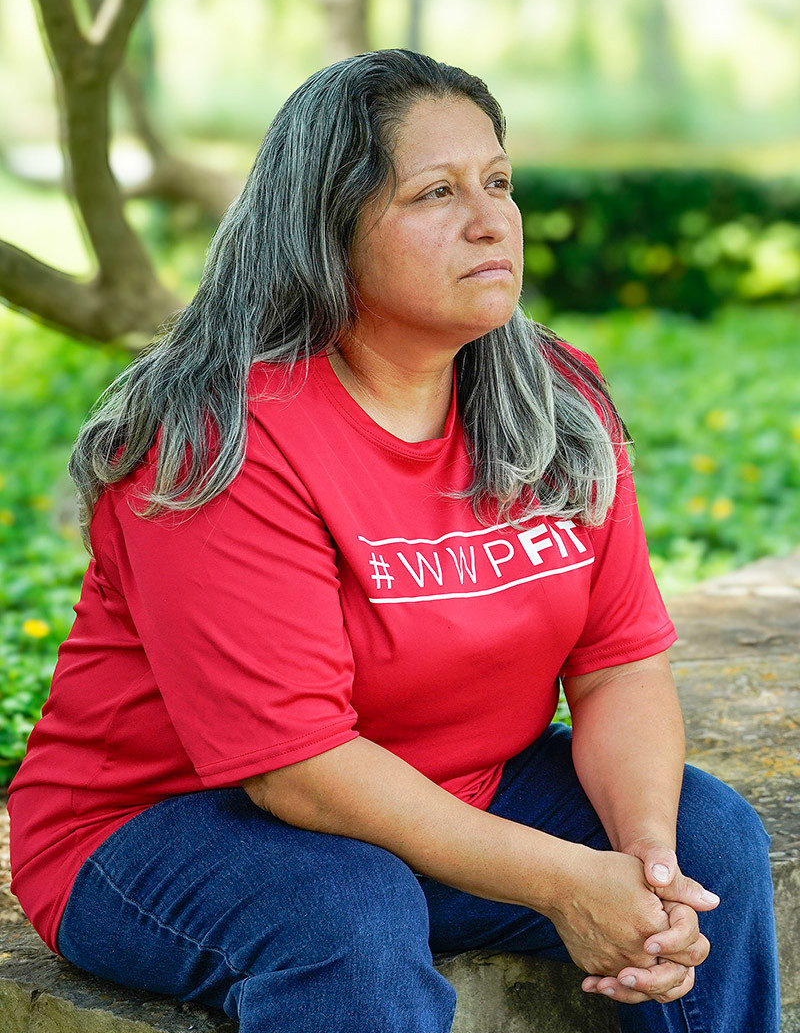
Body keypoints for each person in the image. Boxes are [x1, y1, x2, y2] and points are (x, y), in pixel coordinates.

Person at [9, 50, 779, 1033]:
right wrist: (565, 881)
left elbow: (616, 667)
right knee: (344, 907)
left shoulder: (553, 399)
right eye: (434, 192)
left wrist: (645, 872)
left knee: (709, 840)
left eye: (497, 182)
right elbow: (298, 767)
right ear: (329, 228)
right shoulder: (222, 436)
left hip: (450, 793)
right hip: (164, 827)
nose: (489, 217)